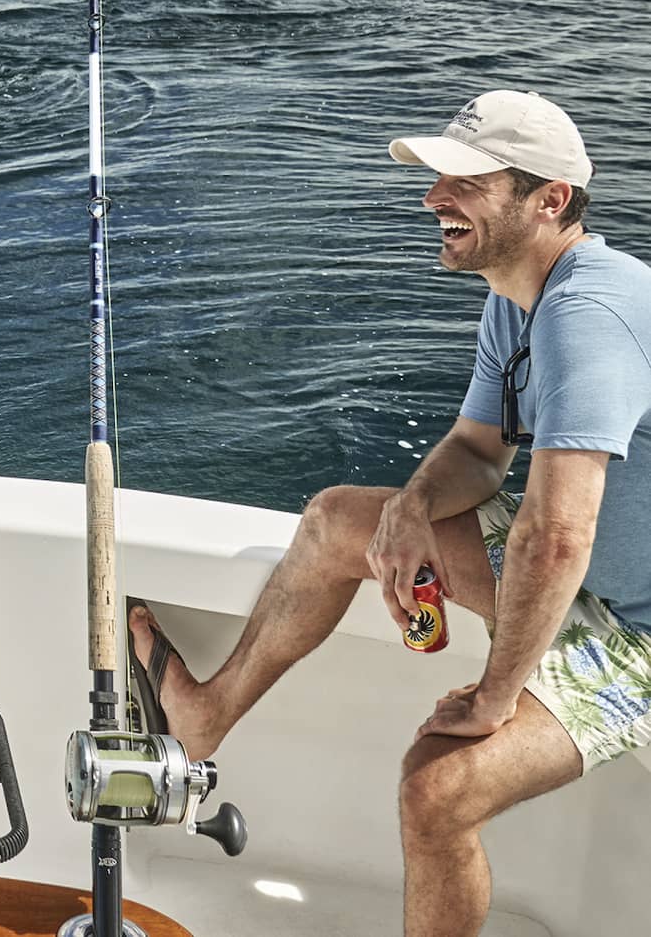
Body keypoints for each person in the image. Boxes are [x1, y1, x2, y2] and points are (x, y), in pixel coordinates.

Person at [128, 89, 651, 937]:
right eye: (439, 177)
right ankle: (205, 718)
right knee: (341, 519)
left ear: (550, 200)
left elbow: (557, 537)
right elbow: (478, 451)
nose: (435, 198)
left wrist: (495, 696)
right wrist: (410, 509)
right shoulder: (517, 298)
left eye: (468, 182)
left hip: (639, 633)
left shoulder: (588, 312)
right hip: (588, 574)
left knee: (436, 791)